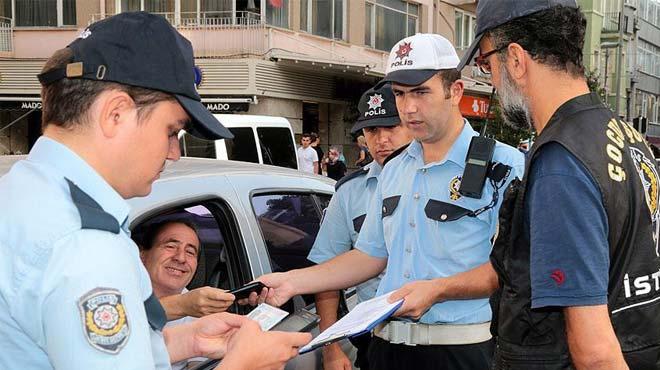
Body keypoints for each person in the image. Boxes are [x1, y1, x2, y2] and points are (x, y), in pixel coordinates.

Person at [0, 12, 309, 370]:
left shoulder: (22, 192)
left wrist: (186, 340)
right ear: (116, 114)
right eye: (170, 131)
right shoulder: (85, 246)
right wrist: (242, 365)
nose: (175, 153)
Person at [251, 34, 525, 370]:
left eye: (421, 92)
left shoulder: (505, 166)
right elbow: (369, 255)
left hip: (461, 351)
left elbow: (516, 267)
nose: (409, 107)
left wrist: (438, 290)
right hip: (385, 349)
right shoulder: (393, 170)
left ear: (455, 92)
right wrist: (293, 282)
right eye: (399, 94)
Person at [458, 1, 660, 369]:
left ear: (516, 60)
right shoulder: (626, 135)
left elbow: (594, 352)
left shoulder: (561, 161)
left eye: (487, 63)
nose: (491, 81)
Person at [308, 84, 413, 370]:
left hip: (444, 337)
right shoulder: (350, 192)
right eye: (371, 131)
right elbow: (328, 272)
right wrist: (330, 348)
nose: (381, 140)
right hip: (376, 339)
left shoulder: (440, 180)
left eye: (391, 127)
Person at [136, 219, 236, 370]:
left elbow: (198, 365)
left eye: (190, 252)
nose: (181, 258)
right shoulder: (114, 294)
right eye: (170, 246)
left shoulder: (202, 311)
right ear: (142, 256)